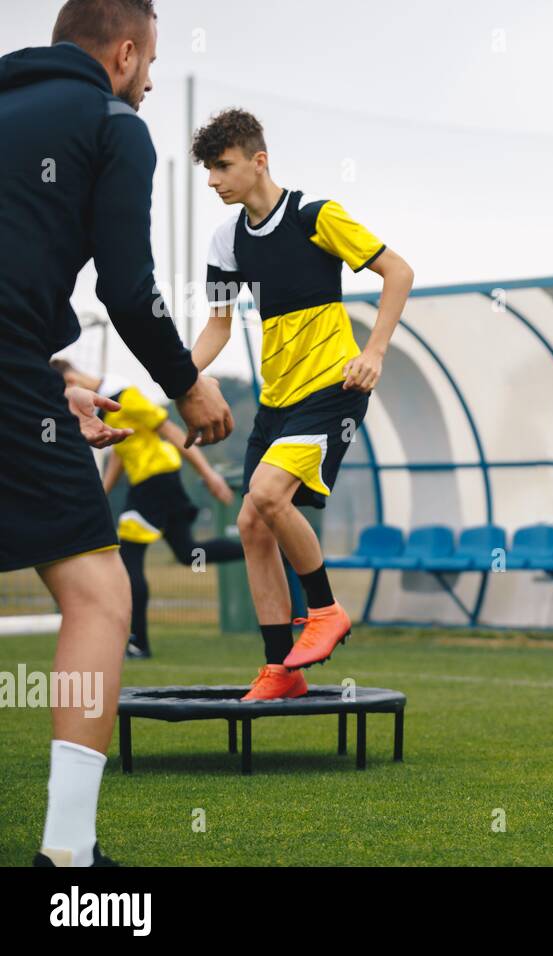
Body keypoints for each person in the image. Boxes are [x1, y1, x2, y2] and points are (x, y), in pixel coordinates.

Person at [0, 0, 234, 866]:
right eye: (149, 63)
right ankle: (67, 856)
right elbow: (129, 291)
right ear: (126, 51)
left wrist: (55, 382)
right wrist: (190, 387)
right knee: (99, 595)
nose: (148, 81)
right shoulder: (111, 125)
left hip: (20, 370)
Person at [189, 108, 414, 701]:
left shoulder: (318, 216)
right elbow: (216, 327)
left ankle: (325, 609)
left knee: (265, 496)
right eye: (208, 170)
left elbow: (398, 271)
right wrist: (177, 380)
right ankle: (282, 670)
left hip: (332, 390)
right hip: (277, 399)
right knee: (248, 523)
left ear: (258, 160)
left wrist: (376, 352)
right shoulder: (225, 238)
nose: (213, 180)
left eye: (222, 166)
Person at [52, 360, 244, 659]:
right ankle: (257, 547)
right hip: (154, 483)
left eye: (64, 391)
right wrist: (101, 493)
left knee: (129, 557)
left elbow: (171, 431)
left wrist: (209, 475)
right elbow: (120, 452)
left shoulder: (126, 397)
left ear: (72, 380)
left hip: (155, 482)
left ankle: (138, 642)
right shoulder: (105, 407)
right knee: (187, 552)